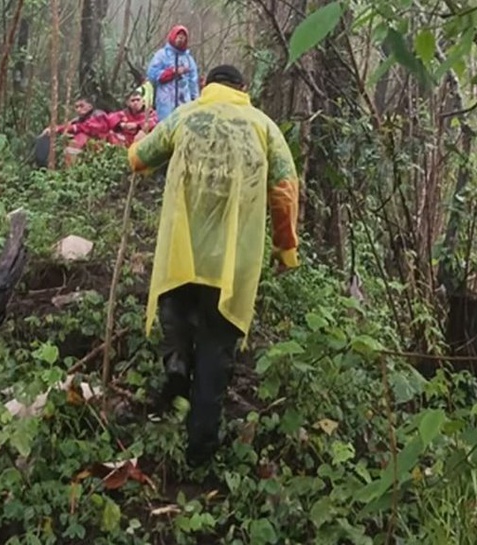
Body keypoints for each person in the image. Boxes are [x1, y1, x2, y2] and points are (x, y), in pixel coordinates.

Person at [126, 65, 300, 466]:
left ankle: (175, 362)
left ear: (205, 87)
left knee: (177, 311)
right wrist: (285, 249)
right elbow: (285, 191)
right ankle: (200, 449)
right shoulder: (264, 127)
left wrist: (135, 147)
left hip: (183, 253)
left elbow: (140, 159)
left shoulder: (185, 115)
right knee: (216, 348)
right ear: (245, 89)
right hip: (232, 263)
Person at [147, 25, 200, 121]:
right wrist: (172, 72)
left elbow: (193, 81)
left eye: (183, 36)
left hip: (184, 104)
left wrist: (195, 101)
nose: (181, 38)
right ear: (173, 36)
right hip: (166, 104)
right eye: (178, 35)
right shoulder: (162, 55)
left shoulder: (188, 59)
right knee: (166, 130)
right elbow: (152, 75)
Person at [43, 96, 112, 166]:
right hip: (87, 152)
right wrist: (54, 129)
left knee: (80, 137)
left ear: (90, 106)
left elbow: (91, 128)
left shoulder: (99, 115)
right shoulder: (77, 120)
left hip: (103, 148)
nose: (79, 109)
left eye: (81, 106)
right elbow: (68, 126)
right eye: (76, 107)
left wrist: (70, 128)